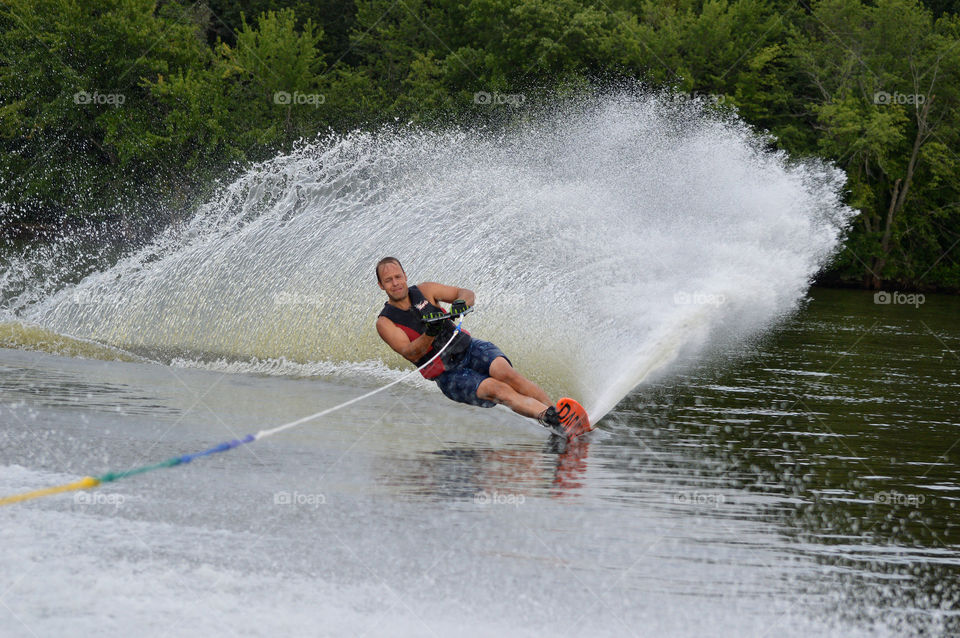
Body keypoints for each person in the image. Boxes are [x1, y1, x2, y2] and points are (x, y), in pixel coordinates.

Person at [374, 256, 570, 433]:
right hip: (449, 375)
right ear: (381, 286)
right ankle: (549, 418)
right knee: (497, 389)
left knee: (506, 373)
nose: (395, 283)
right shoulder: (385, 323)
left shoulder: (426, 290)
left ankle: (561, 417)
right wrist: (430, 332)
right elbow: (412, 353)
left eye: (398, 277)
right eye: (388, 280)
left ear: (405, 276)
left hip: (469, 348)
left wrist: (461, 303)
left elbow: (465, 293)